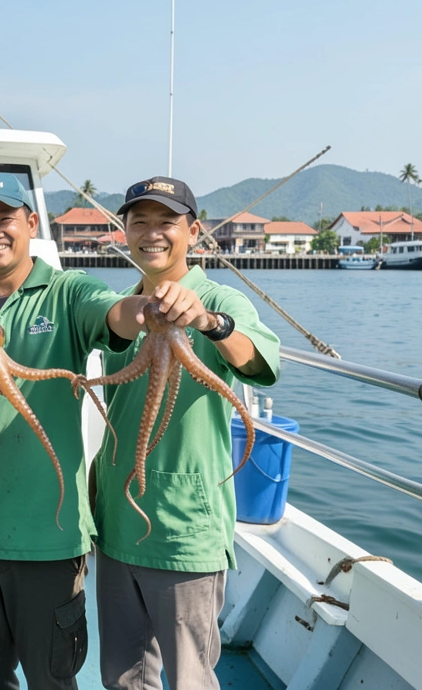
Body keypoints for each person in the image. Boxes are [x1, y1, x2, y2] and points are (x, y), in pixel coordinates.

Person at [0, 174, 206, 690]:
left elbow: (110, 313)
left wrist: (145, 310)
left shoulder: (68, 290)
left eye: (4, 218)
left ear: (31, 223)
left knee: (52, 680)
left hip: (50, 541)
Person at [93, 178, 280, 690]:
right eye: (140, 222)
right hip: (117, 521)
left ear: (193, 232)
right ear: (124, 232)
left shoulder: (220, 299)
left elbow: (260, 362)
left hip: (186, 531)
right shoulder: (120, 311)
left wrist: (209, 321)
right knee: (122, 678)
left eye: (166, 222)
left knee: (190, 679)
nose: (152, 233)